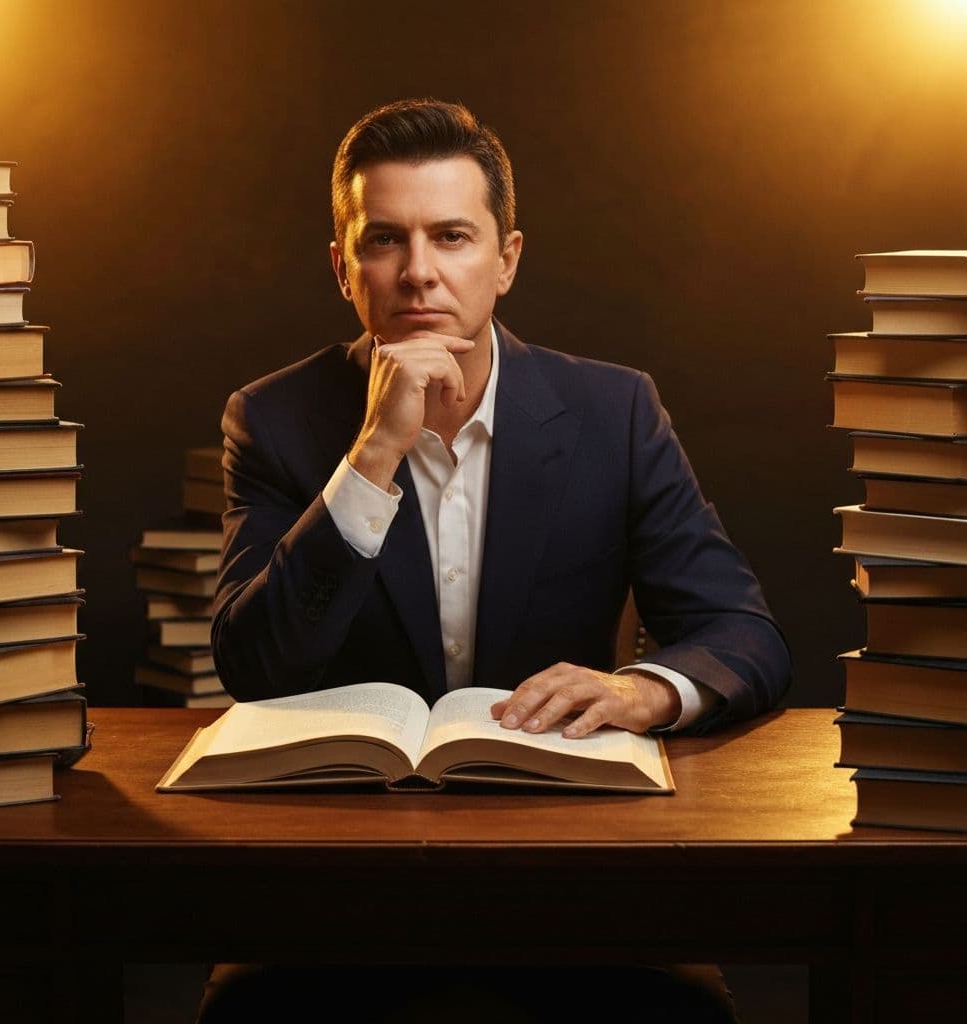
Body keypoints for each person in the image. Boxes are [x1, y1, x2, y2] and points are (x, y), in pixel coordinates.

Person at [201, 98, 790, 1023]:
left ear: (506, 259)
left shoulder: (615, 411)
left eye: (453, 237)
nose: (419, 274)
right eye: (384, 240)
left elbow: (742, 632)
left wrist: (644, 691)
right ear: (342, 268)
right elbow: (252, 662)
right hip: (338, 887)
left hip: (572, 874)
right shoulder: (273, 418)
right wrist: (372, 458)